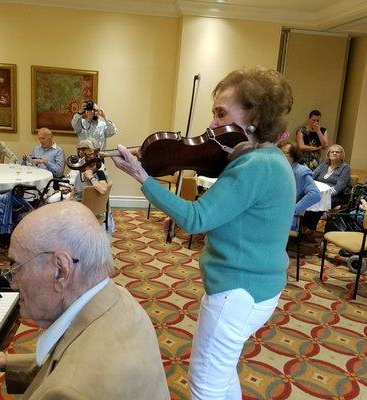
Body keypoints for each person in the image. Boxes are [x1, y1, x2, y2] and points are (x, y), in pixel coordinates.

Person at [111, 67, 295, 400]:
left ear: (254, 116)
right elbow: (243, 219)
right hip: (256, 286)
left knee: (205, 385)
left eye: (221, 113)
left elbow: (197, 218)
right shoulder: (270, 159)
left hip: (237, 291)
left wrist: (142, 176)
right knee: (222, 376)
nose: (212, 124)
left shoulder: (255, 164)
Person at [0, 201, 169, 399]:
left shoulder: (70, 392)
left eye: (16, 266)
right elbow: (64, 359)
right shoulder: (119, 300)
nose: (12, 282)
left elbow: (69, 377)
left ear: (60, 270)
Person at [303, 144, 351, 231]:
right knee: (306, 199)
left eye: (338, 152)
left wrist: (326, 194)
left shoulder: (345, 167)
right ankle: (302, 227)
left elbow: (341, 185)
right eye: (332, 152)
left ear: (342, 155)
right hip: (317, 192)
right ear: (328, 155)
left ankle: (310, 229)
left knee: (319, 202)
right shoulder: (323, 165)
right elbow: (312, 176)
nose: (335, 153)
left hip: (336, 196)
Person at [278, 140, 320, 230]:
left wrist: (293, 210)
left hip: (284, 218)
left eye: (284, 153)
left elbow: (315, 195)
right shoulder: (277, 169)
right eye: (278, 152)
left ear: (294, 155)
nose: (280, 155)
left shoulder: (301, 171)